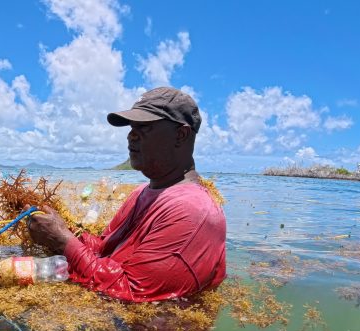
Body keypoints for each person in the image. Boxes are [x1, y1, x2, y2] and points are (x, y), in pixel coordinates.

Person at [27, 87, 226, 302]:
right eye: (132, 127)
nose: (131, 136)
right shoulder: (142, 192)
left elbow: (131, 291)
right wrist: (62, 230)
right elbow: (104, 248)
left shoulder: (192, 210)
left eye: (145, 127)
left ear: (181, 135)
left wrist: (62, 241)